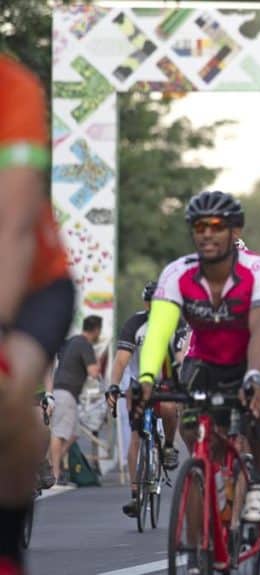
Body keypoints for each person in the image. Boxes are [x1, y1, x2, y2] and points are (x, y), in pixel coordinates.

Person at [135, 190, 260, 524]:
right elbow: (158, 331)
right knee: (196, 440)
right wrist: (145, 378)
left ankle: (259, 481)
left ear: (235, 231)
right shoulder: (177, 273)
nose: (207, 233)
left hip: (254, 355)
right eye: (199, 226)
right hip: (205, 360)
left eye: (217, 226)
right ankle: (197, 530)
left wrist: (254, 377)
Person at [0, 55, 76, 572]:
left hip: (30, 284)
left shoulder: (13, 88)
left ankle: (7, 547)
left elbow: (15, 228)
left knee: (6, 391)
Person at [108, 282, 186, 518]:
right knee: (135, 436)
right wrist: (113, 385)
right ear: (145, 303)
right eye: (151, 303)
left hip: (166, 382)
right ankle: (135, 494)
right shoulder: (135, 323)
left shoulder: (177, 324)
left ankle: (169, 445)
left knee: (170, 407)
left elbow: (182, 358)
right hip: (140, 384)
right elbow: (121, 360)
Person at [50, 316, 103, 484]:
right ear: (96, 330)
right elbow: (93, 372)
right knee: (59, 433)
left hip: (63, 391)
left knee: (74, 432)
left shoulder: (73, 341)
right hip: (66, 392)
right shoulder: (84, 344)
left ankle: (53, 462)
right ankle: (54, 473)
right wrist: (98, 364)